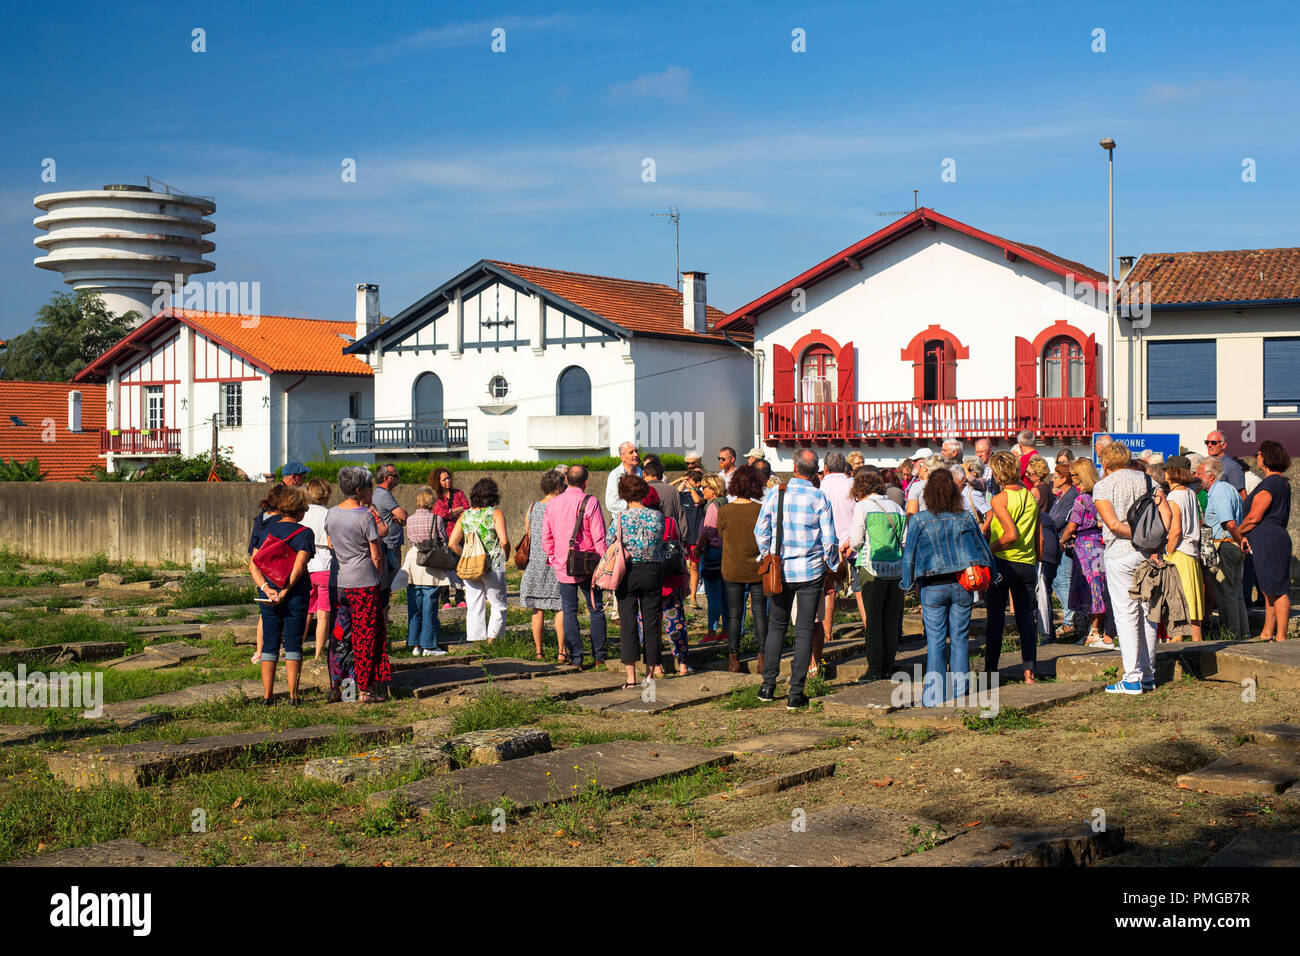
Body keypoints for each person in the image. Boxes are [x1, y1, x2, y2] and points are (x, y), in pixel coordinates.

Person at [901, 467, 999, 706]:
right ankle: (961, 691)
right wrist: (993, 575)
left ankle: (933, 696)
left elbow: (908, 555)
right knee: (960, 637)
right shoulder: (965, 517)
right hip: (962, 584)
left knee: (934, 640)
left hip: (931, 585)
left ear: (928, 493)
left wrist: (906, 583)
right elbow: (982, 548)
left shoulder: (920, 520)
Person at [754, 449, 840, 708]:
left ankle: (768, 685)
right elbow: (829, 540)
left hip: (781, 568)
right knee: (804, 628)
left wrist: (767, 554)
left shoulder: (776, 494)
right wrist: (832, 565)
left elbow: (761, 531)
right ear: (816, 473)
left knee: (777, 625)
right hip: (810, 570)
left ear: (794, 468)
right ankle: (795, 692)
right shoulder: (819, 497)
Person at [1094, 441, 1173, 694]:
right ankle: (1149, 674)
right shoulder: (1149, 481)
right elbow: (1167, 515)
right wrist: (1153, 540)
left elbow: (1114, 525)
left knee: (1126, 614)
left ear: (1105, 463)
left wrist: (1137, 536)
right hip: (1149, 554)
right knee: (1148, 612)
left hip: (1120, 553)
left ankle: (1131, 678)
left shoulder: (1103, 486)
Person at [325, 466, 391, 704]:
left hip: (339, 581)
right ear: (359, 489)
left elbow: (331, 544)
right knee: (365, 636)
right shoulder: (364, 516)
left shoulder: (331, 514)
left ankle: (340, 688)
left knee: (341, 636)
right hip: (364, 582)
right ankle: (364, 689)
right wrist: (377, 575)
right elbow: (376, 554)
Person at [248, 485, 314, 705]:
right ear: (300, 510)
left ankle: (268, 696)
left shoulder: (266, 530)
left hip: (267, 594)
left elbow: (254, 564)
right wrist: (285, 590)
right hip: (295, 595)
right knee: (294, 643)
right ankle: (294, 695)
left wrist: (267, 589)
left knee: (269, 643)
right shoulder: (304, 533)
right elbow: (299, 565)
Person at [984, 450, 1042, 683]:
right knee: (1026, 619)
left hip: (1004, 562)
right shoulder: (1030, 496)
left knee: (995, 618)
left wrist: (988, 550)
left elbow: (1010, 535)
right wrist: (1037, 559)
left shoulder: (999, 499)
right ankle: (1029, 672)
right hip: (1027, 563)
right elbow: (1039, 535)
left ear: (998, 475)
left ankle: (990, 671)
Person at [542, 465, 609, 667]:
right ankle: (599, 656)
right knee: (596, 609)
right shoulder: (591, 502)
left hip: (563, 564)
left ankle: (577, 658)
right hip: (589, 564)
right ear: (586, 481)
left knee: (569, 611)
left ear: (565, 479)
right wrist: (605, 562)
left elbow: (546, 538)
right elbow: (599, 538)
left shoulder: (552, 504)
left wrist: (554, 558)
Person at [607, 474, 666, 687]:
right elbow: (661, 541)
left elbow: (609, 542)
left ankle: (631, 677)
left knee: (628, 623)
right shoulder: (657, 516)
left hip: (627, 572)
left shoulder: (620, 518)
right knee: (651, 622)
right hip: (652, 571)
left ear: (623, 494)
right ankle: (650, 674)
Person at [846, 468, 906, 681]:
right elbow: (904, 540)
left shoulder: (863, 506)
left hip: (872, 568)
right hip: (896, 569)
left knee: (873, 620)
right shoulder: (896, 507)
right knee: (891, 619)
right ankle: (889, 665)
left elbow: (856, 541)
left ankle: (874, 669)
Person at [1239, 441, 1292, 642]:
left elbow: (1255, 516)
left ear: (1267, 456)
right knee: (1269, 589)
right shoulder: (1281, 482)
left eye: (1258, 453)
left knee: (1278, 589)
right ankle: (1268, 632)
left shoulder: (1270, 483)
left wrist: (1239, 531)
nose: (1256, 457)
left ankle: (1281, 636)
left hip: (1269, 539)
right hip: (1271, 538)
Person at [717, 464, 767, 673]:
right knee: (759, 613)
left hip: (732, 567)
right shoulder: (761, 510)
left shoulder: (725, 511)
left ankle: (733, 658)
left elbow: (721, 535)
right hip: (757, 567)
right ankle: (763, 658)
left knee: (735, 614)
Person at [449, 478, 510, 643]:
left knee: (475, 604)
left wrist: (466, 556)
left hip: (471, 564)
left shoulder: (465, 515)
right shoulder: (495, 513)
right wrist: (506, 555)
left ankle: (477, 641)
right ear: (493, 495)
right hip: (494, 562)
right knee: (498, 604)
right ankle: (493, 640)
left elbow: (452, 543)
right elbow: (503, 541)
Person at [1061, 459, 1111, 647]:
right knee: (1099, 586)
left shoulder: (1081, 499)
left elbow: (1072, 525)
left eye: (1073, 475)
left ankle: (1094, 630)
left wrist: (1062, 540)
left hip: (1084, 546)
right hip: (1099, 544)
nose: (1071, 479)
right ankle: (1098, 629)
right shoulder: (1099, 494)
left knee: (1089, 589)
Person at [519, 469, 567, 661]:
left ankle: (539, 651)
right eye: (563, 485)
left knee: (537, 609)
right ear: (557, 487)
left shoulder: (532, 507)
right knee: (560, 607)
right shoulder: (561, 507)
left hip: (535, 564)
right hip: (555, 562)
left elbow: (528, 534)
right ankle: (562, 651)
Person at [1198, 456, 1248, 638]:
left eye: (1200, 474)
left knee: (1226, 592)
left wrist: (1239, 539)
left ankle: (1232, 635)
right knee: (1236, 593)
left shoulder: (1218, 491)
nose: (1197, 477)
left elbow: (1230, 523)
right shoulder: (1229, 488)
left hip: (1225, 545)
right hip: (1232, 544)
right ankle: (1243, 633)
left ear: (1211, 476)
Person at [644, 485, 692, 676]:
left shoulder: (641, 522)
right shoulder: (670, 522)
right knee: (676, 622)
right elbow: (678, 551)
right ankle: (682, 664)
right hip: (671, 579)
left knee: (648, 624)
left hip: (648, 580)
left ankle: (655, 665)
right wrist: (686, 579)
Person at [401, 485, 452, 657]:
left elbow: (410, 538)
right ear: (431, 501)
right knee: (430, 606)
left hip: (413, 560)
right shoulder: (436, 519)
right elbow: (443, 539)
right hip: (430, 562)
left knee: (414, 606)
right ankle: (429, 645)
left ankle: (415, 644)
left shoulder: (410, 519)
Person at [819, 451, 858, 659]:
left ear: (825, 468)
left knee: (829, 590)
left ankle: (827, 633)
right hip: (853, 543)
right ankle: (870, 630)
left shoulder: (820, 487)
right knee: (861, 591)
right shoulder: (853, 485)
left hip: (830, 545)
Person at [1163, 464, 1205, 642]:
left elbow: (1175, 530)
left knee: (1178, 596)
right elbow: (1200, 521)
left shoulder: (1174, 496)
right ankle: (1197, 637)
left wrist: (1168, 551)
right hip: (1192, 550)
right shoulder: (1190, 493)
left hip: (1179, 551)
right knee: (1193, 596)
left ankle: (1177, 636)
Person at [300, 478, 335, 661]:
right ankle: (318, 653)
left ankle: (296, 647)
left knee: (306, 610)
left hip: (304, 567)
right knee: (323, 614)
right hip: (325, 567)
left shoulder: (302, 514)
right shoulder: (329, 514)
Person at [1025, 456, 1058, 644]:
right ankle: (1048, 632)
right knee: (1047, 590)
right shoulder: (1048, 490)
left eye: (1029, 473)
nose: (1028, 477)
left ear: (1037, 474)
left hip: (1039, 532)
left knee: (1041, 591)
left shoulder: (1036, 490)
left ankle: (1045, 633)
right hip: (1048, 530)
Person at [371, 464, 408, 628]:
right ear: (387, 478)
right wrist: (399, 516)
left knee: (386, 586)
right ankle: (384, 620)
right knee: (386, 586)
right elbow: (403, 515)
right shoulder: (384, 495)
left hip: (389, 544)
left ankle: (384, 619)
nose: (398, 477)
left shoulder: (380, 494)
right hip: (389, 545)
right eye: (395, 475)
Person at [694, 473, 730, 640]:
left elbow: (708, 531)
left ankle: (711, 631)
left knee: (713, 594)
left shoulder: (712, 506)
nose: (702, 490)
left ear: (713, 489)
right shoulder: (725, 503)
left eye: (704, 487)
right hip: (726, 551)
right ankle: (726, 630)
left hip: (713, 552)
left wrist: (698, 548)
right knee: (725, 594)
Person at [1045, 462, 1079, 638]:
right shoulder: (1060, 496)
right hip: (1057, 541)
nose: (1053, 479)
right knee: (1058, 581)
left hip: (1065, 544)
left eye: (1056, 477)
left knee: (1064, 581)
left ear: (1065, 479)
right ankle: (1069, 618)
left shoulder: (1072, 495)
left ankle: (1069, 620)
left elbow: (1059, 521)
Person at [429, 467, 468, 609]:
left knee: (459, 567)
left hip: (459, 537)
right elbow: (440, 513)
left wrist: (451, 512)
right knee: (444, 569)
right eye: (444, 479)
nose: (448, 481)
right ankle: (445, 599)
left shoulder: (458, 493)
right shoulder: (436, 497)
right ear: (438, 482)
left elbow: (467, 509)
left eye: (448, 478)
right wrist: (456, 511)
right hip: (443, 537)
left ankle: (460, 597)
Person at [642, 454, 688, 535]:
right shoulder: (673, 490)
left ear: (644, 474)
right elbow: (681, 517)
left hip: (648, 538)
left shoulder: (641, 490)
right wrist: (681, 539)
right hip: (670, 537)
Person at [1205, 430, 1246, 495]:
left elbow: (1242, 496)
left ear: (1223, 445)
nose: (1209, 445)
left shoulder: (1232, 467)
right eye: (1207, 442)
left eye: (1213, 442)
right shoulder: (1206, 463)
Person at [605, 441, 643, 512]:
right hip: (621, 519)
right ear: (622, 457)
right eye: (631, 452)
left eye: (636, 451)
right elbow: (611, 503)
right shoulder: (615, 474)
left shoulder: (639, 471)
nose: (636, 454)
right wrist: (632, 505)